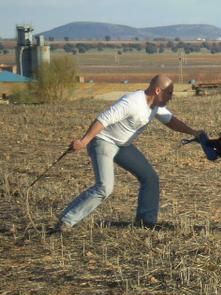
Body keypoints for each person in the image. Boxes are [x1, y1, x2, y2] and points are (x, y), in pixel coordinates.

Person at [53, 74, 202, 232]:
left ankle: (145, 221)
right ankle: (66, 221)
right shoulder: (132, 102)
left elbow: (171, 121)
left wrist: (193, 132)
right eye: (170, 93)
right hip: (103, 141)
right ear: (158, 90)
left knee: (150, 178)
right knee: (105, 187)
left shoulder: (157, 106)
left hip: (123, 145)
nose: (172, 97)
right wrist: (84, 141)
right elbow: (103, 120)